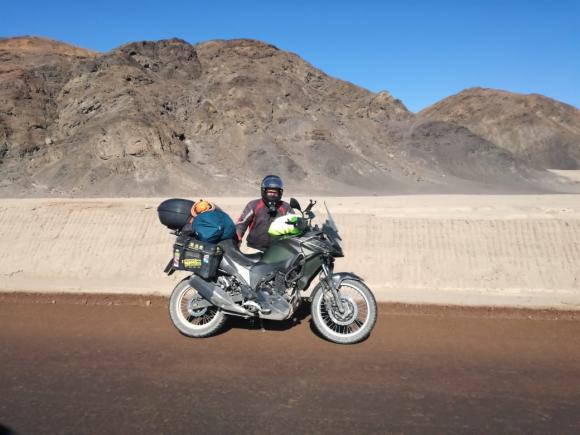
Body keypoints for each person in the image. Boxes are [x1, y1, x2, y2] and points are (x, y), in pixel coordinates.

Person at [236, 175, 294, 251]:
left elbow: (295, 223)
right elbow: (241, 224)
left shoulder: (285, 207)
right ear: (263, 191)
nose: (272, 194)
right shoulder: (254, 205)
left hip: (278, 249)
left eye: (275, 192)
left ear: (280, 193)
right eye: (269, 192)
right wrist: (237, 238)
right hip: (253, 248)